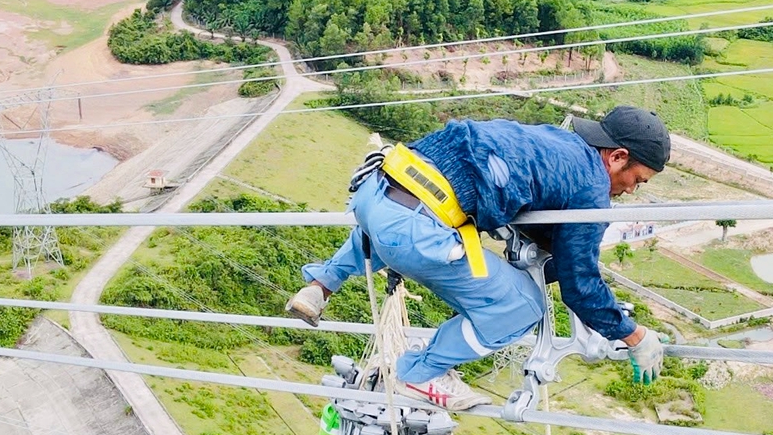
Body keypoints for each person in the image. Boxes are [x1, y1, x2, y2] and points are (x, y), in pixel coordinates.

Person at [286, 106, 669, 409]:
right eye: (637, 180)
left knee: (395, 222)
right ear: (617, 157)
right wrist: (632, 336)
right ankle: (420, 374)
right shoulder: (592, 188)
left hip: (375, 192)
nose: (631, 191)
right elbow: (579, 283)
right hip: (411, 231)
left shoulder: (552, 141)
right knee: (522, 307)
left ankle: (320, 285)